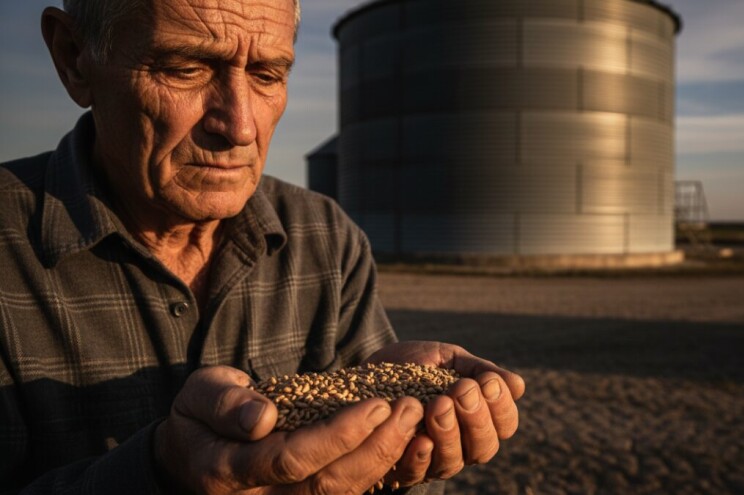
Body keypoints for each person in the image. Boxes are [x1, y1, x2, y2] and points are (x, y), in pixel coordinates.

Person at [0, 0, 525, 493]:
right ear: (73, 57)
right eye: (185, 69)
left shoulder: (325, 236)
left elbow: (365, 436)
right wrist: (162, 474)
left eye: (268, 75)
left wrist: (396, 449)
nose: (240, 126)